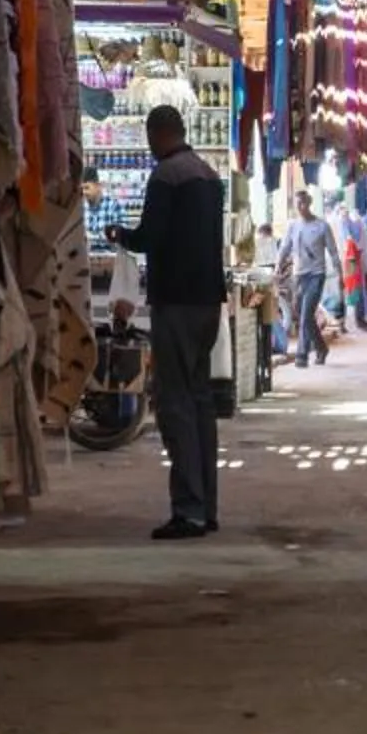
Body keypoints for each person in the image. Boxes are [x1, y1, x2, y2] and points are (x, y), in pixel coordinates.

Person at [109, 105, 227, 539]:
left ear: (157, 134)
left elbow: (150, 237)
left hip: (176, 302)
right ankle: (207, 506)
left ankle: (189, 510)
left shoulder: (165, 177)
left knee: (174, 404)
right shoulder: (209, 175)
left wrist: (121, 235)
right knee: (200, 402)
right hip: (209, 303)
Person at [280, 192, 335, 367]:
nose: (300, 207)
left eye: (303, 203)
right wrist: (277, 268)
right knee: (302, 313)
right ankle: (321, 348)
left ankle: (302, 355)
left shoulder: (322, 226)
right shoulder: (293, 226)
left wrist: (340, 274)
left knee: (305, 315)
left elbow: (333, 251)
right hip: (299, 276)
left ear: (309, 204)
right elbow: (284, 248)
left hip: (316, 275)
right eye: (297, 204)